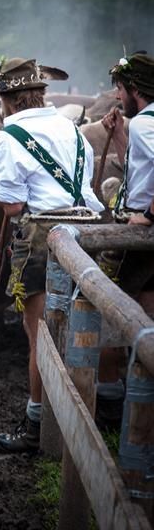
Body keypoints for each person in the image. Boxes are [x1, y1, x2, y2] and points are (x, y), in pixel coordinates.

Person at [0, 57, 104, 453]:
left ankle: (38, 423)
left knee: (41, 335)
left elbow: (10, 204)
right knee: (84, 327)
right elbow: (85, 188)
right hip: (89, 233)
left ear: (10, 99)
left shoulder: (10, 136)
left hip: (42, 237)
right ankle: (90, 415)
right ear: (39, 94)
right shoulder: (74, 130)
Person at [97, 52, 154, 427]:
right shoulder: (142, 125)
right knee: (145, 309)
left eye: (119, 89)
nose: (117, 97)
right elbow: (141, 170)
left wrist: (148, 215)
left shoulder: (146, 125)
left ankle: (110, 402)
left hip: (142, 235)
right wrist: (119, 136)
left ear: (134, 89)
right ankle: (137, 399)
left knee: (100, 303)